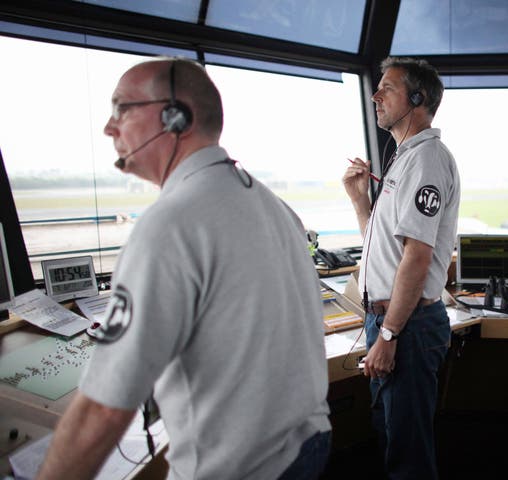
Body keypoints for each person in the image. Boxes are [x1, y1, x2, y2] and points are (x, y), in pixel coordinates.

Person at [36, 58, 331, 480]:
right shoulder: (271, 204)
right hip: (304, 446)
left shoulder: (169, 225)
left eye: (122, 108)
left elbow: (103, 406)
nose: (108, 126)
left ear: (177, 117)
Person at [342, 57, 460, 479]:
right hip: (390, 321)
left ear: (417, 98)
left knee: (408, 452)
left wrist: (389, 334)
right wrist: (360, 202)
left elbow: (418, 257)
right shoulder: (404, 158)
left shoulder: (426, 159)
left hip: (406, 326)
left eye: (386, 88)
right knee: (390, 435)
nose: (375, 95)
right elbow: (385, 248)